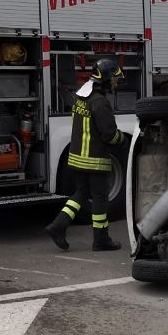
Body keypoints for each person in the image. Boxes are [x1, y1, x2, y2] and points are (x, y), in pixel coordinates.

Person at [45, 58, 125, 252]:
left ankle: (58, 225)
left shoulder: (81, 97)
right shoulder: (101, 102)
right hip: (94, 159)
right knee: (100, 199)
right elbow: (109, 134)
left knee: (82, 192)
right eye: (114, 79)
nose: (116, 83)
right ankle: (101, 239)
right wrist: (123, 140)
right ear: (105, 79)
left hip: (78, 157)